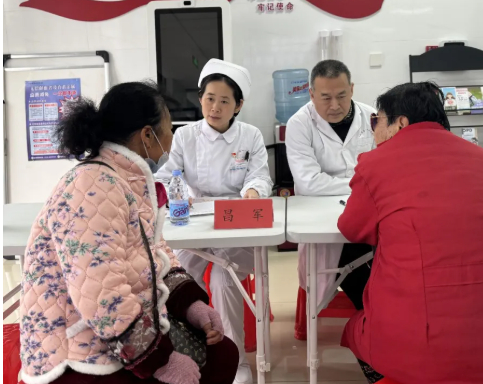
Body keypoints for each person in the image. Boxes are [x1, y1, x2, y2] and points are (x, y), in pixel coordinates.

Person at [19, 81, 240, 384]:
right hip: (77, 348)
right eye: (168, 128)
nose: (171, 137)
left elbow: (155, 254)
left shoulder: (127, 180)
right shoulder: (93, 186)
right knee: (211, 363)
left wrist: (191, 304)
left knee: (222, 354)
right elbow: (101, 296)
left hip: (112, 327)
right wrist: (160, 360)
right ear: (147, 135)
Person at [338, 82, 483, 384]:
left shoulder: (375, 164)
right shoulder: (482, 159)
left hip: (419, 347)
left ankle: (385, 375)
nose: (374, 130)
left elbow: (352, 228)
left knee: (356, 328)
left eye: (377, 121)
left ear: (400, 123)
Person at [155, 60, 272, 384]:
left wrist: (252, 191)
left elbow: (260, 176)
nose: (215, 108)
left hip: (236, 223)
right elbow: (165, 176)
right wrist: (176, 191)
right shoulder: (185, 136)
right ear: (200, 98)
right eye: (209, 99)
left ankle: (236, 364)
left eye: (224, 101)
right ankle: (187, 352)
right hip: (195, 220)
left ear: (238, 105)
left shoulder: (250, 135)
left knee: (223, 278)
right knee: (177, 278)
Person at [285, 60, 375, 312]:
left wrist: (365, 187)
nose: (334, 105)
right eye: (325, 98)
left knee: (382, 253)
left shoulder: (371, 117)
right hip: (319, 214)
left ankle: (375, 313)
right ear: (311, 94)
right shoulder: (299, 124)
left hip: (364, 210)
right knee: (350, 257)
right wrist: (362, 184)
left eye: (341, 96)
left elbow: (384, 170)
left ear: (352, 89)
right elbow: (308, 183)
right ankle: (373, 315)